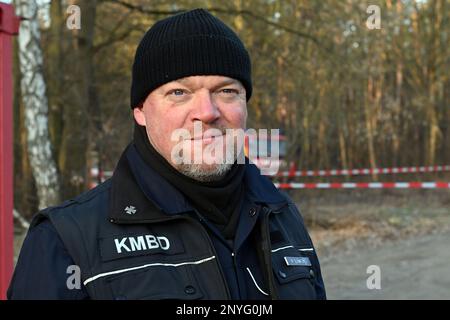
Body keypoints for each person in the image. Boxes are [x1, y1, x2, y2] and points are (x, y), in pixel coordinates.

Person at [8, 8, 326, 300]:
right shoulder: (65, 242)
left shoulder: (281, 217)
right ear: (140, 111)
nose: (207, 112)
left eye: (226, 91)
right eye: (179, 92)